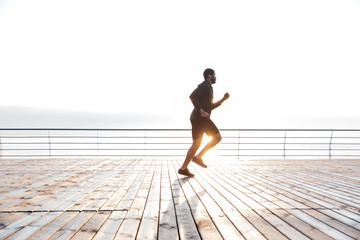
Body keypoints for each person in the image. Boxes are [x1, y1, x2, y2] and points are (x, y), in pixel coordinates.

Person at [178, 68, 229, 177]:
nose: (216, 77)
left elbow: (209, 107)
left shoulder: (208, 87)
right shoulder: (205, 85)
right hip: (200, 118)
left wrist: (222, 100)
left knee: (196, 143)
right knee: (217, 137)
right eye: (214, 74)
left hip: (195, 118)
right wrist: (201, 111)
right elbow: (192, 96)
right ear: (209, 75)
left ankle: (183, 168)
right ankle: (198, 157)